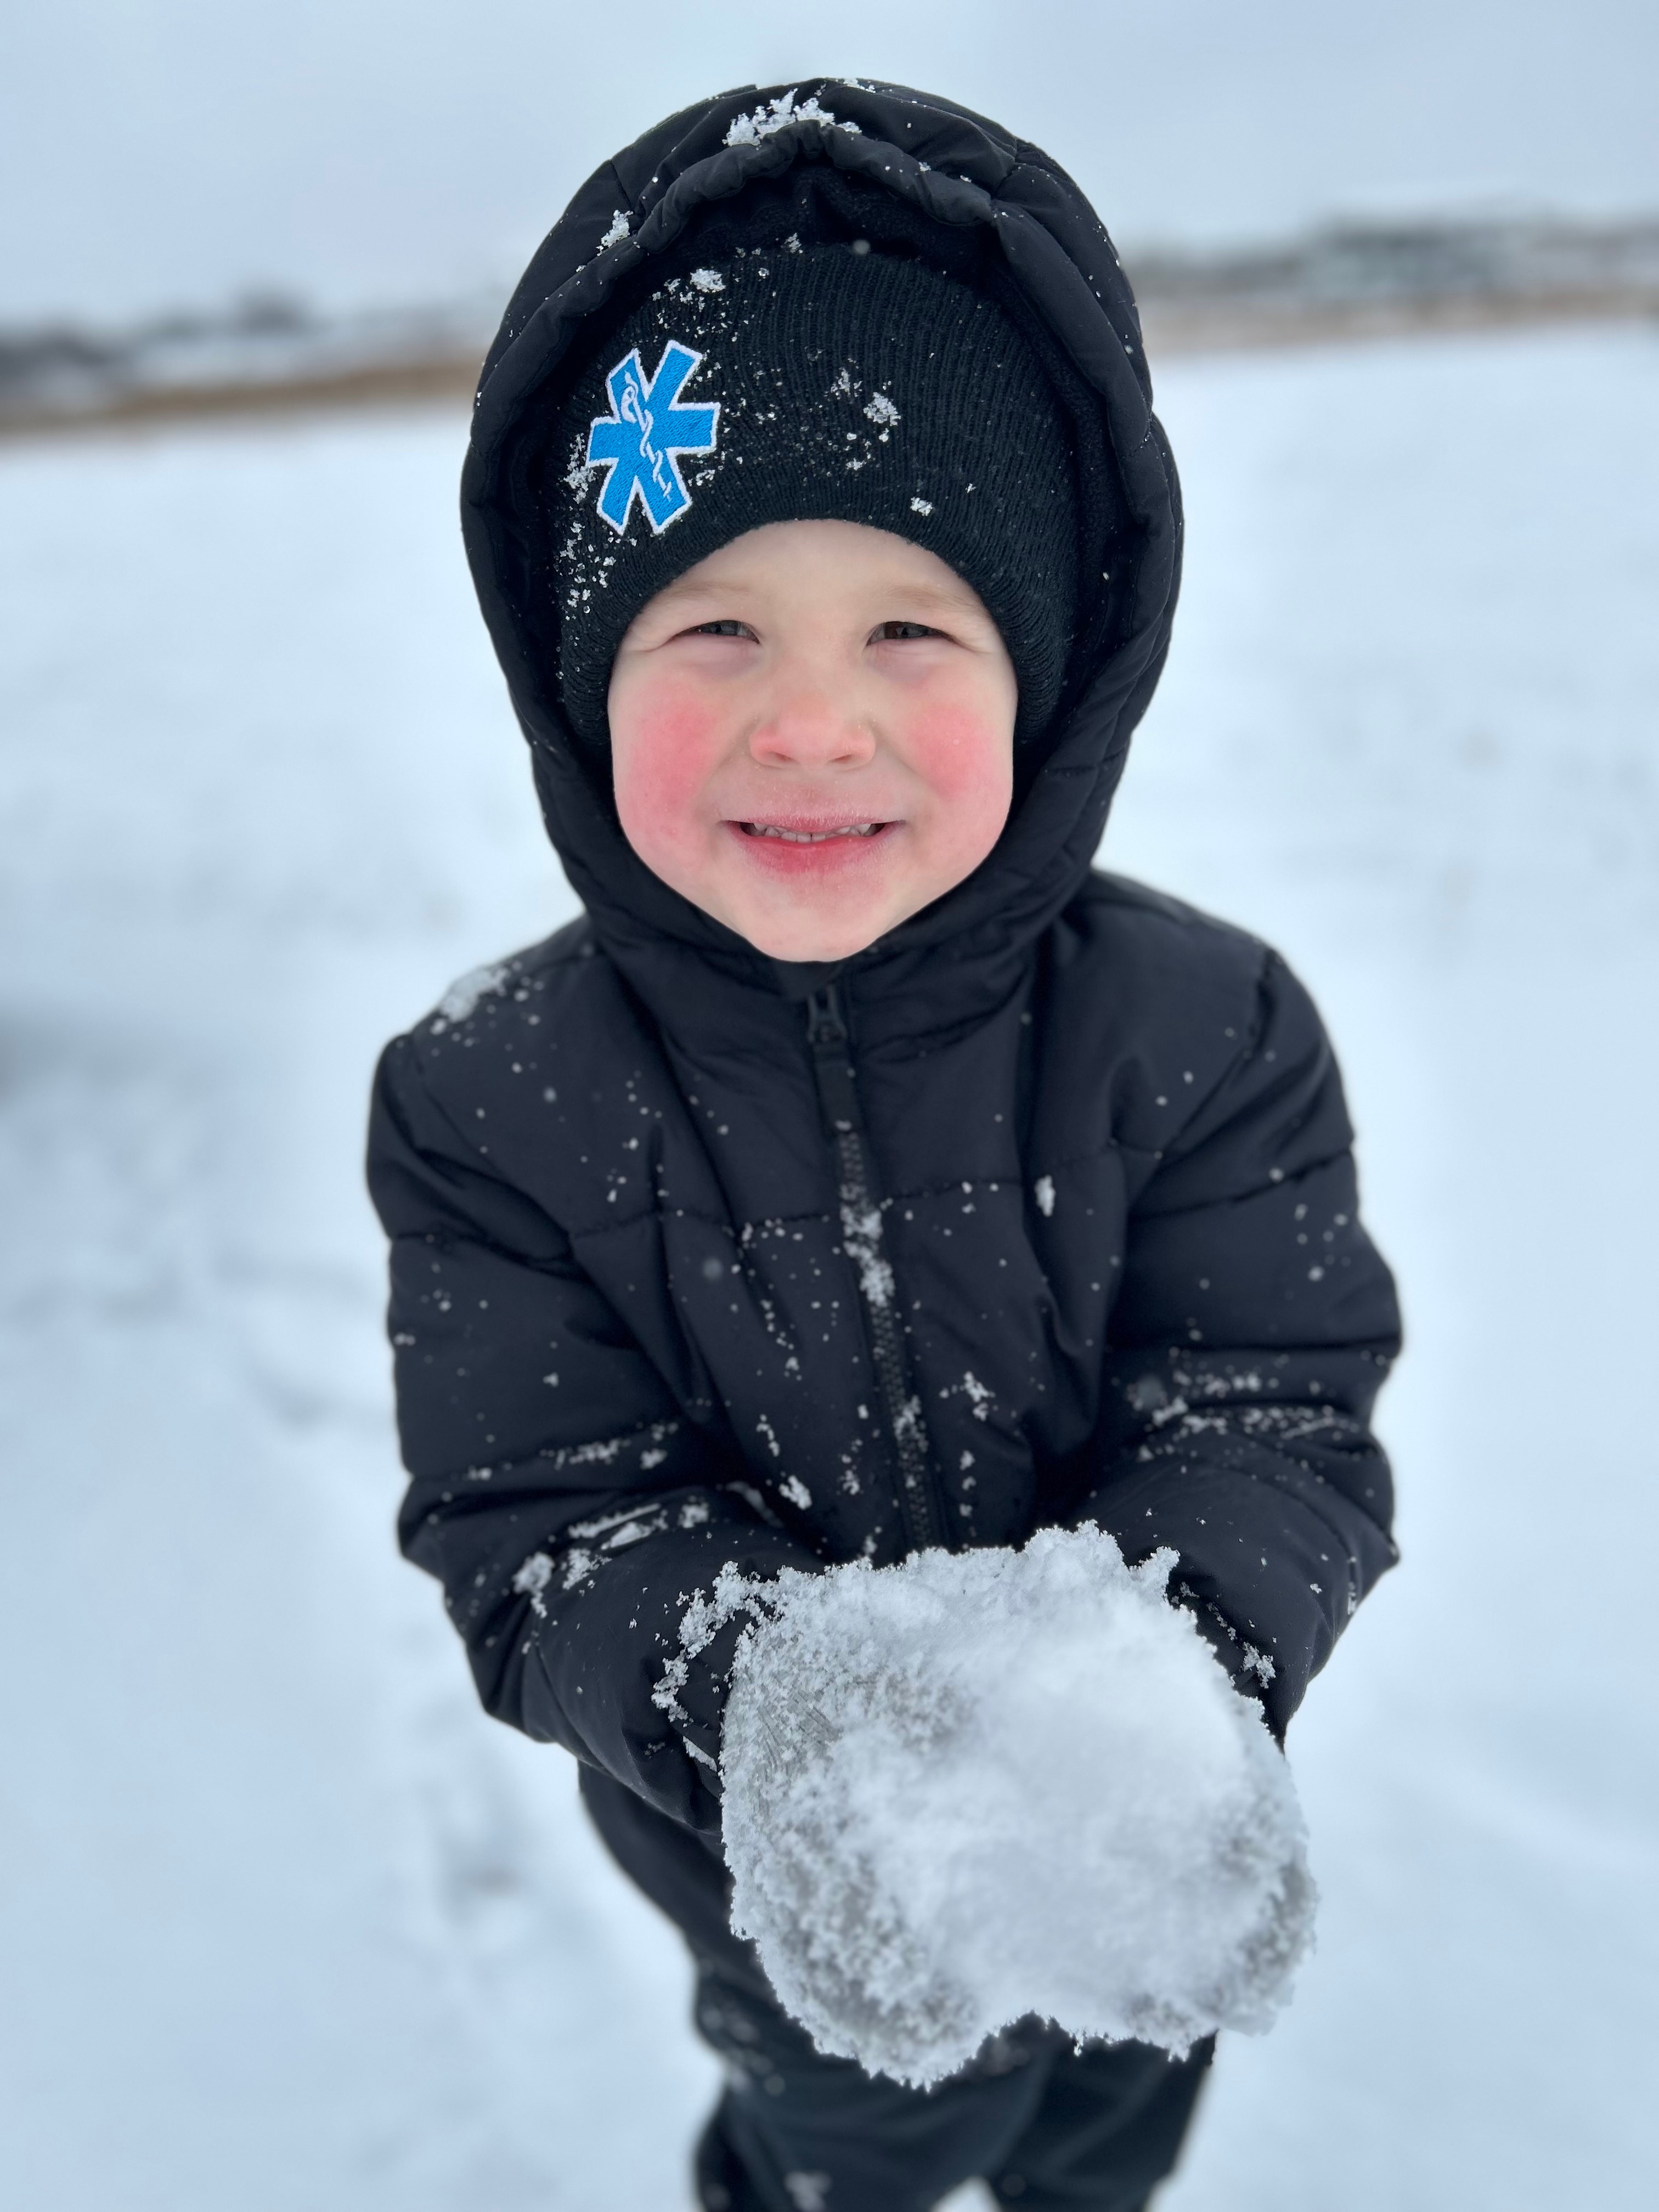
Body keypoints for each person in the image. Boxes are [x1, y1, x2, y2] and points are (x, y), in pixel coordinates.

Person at [366, 80, 1401, 2212]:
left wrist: (1165, 1688)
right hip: (772, 1888)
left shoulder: (1205, 1032)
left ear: (1048, 678)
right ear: (580, 681)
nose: (810, 721)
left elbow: (1270, 1400)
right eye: (714, 628)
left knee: (1108, 2133)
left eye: (909, 630)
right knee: (840, 2153)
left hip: (1133, 1856)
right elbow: (535, 1516)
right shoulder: (490, 1105)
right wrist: (779, 1714)